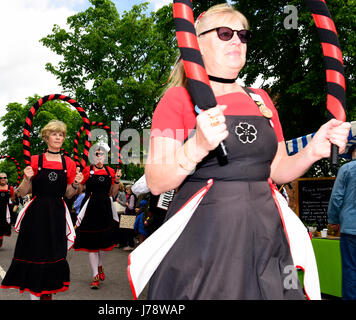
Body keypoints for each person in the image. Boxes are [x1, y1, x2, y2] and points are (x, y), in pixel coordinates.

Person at [144, 3, 350, 299]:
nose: (237, 41)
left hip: (266, 236)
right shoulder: (178, 99)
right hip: (205, 241)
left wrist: (313, 150)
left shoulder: (259, 98)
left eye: (243, 36)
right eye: (225, 33)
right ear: (196, 43)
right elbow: (156, 181)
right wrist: (197, 146)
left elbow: (277, 169)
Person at [1, 120, 82, 300]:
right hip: (36, 214)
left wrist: (76, 183)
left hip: (57, 214)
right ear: (46, 137)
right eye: (54, 134)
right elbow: (21, 193)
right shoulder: (35, 160)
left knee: (54, 255)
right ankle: (35, 296)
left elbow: (68, 194)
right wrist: (26, 178)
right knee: (34, 254)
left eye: (61, 134)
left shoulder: (68, 163)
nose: (58, 137)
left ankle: (47, 293)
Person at [73, 142, 121, 289]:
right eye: (96, 154)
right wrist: (79, 181)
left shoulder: (111, 172)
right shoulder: (87, 170)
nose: (99, 156)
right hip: (90, 208)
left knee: (104, 243)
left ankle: (100, 265)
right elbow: (79, 190)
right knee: (93, 244)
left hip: (105, 208)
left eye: (102, 154)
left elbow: (113, 193)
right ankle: (95, 275)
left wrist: (118, 180)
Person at [328, 145, 356, 300]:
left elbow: (337, 197)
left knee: (350, 269)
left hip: (350, 228)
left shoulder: (347, 169)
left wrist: (333, 219)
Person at [120, 185, 137, 251]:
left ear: (131, 190)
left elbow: (131, 207)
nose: (126, 191)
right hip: (129, 215)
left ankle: (131, 245)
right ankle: (129, 244)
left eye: (127, 190)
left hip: (130, 215)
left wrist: (127, 204)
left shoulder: (132, 196)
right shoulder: (131, 196)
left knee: (129, 231)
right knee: (127, 230)